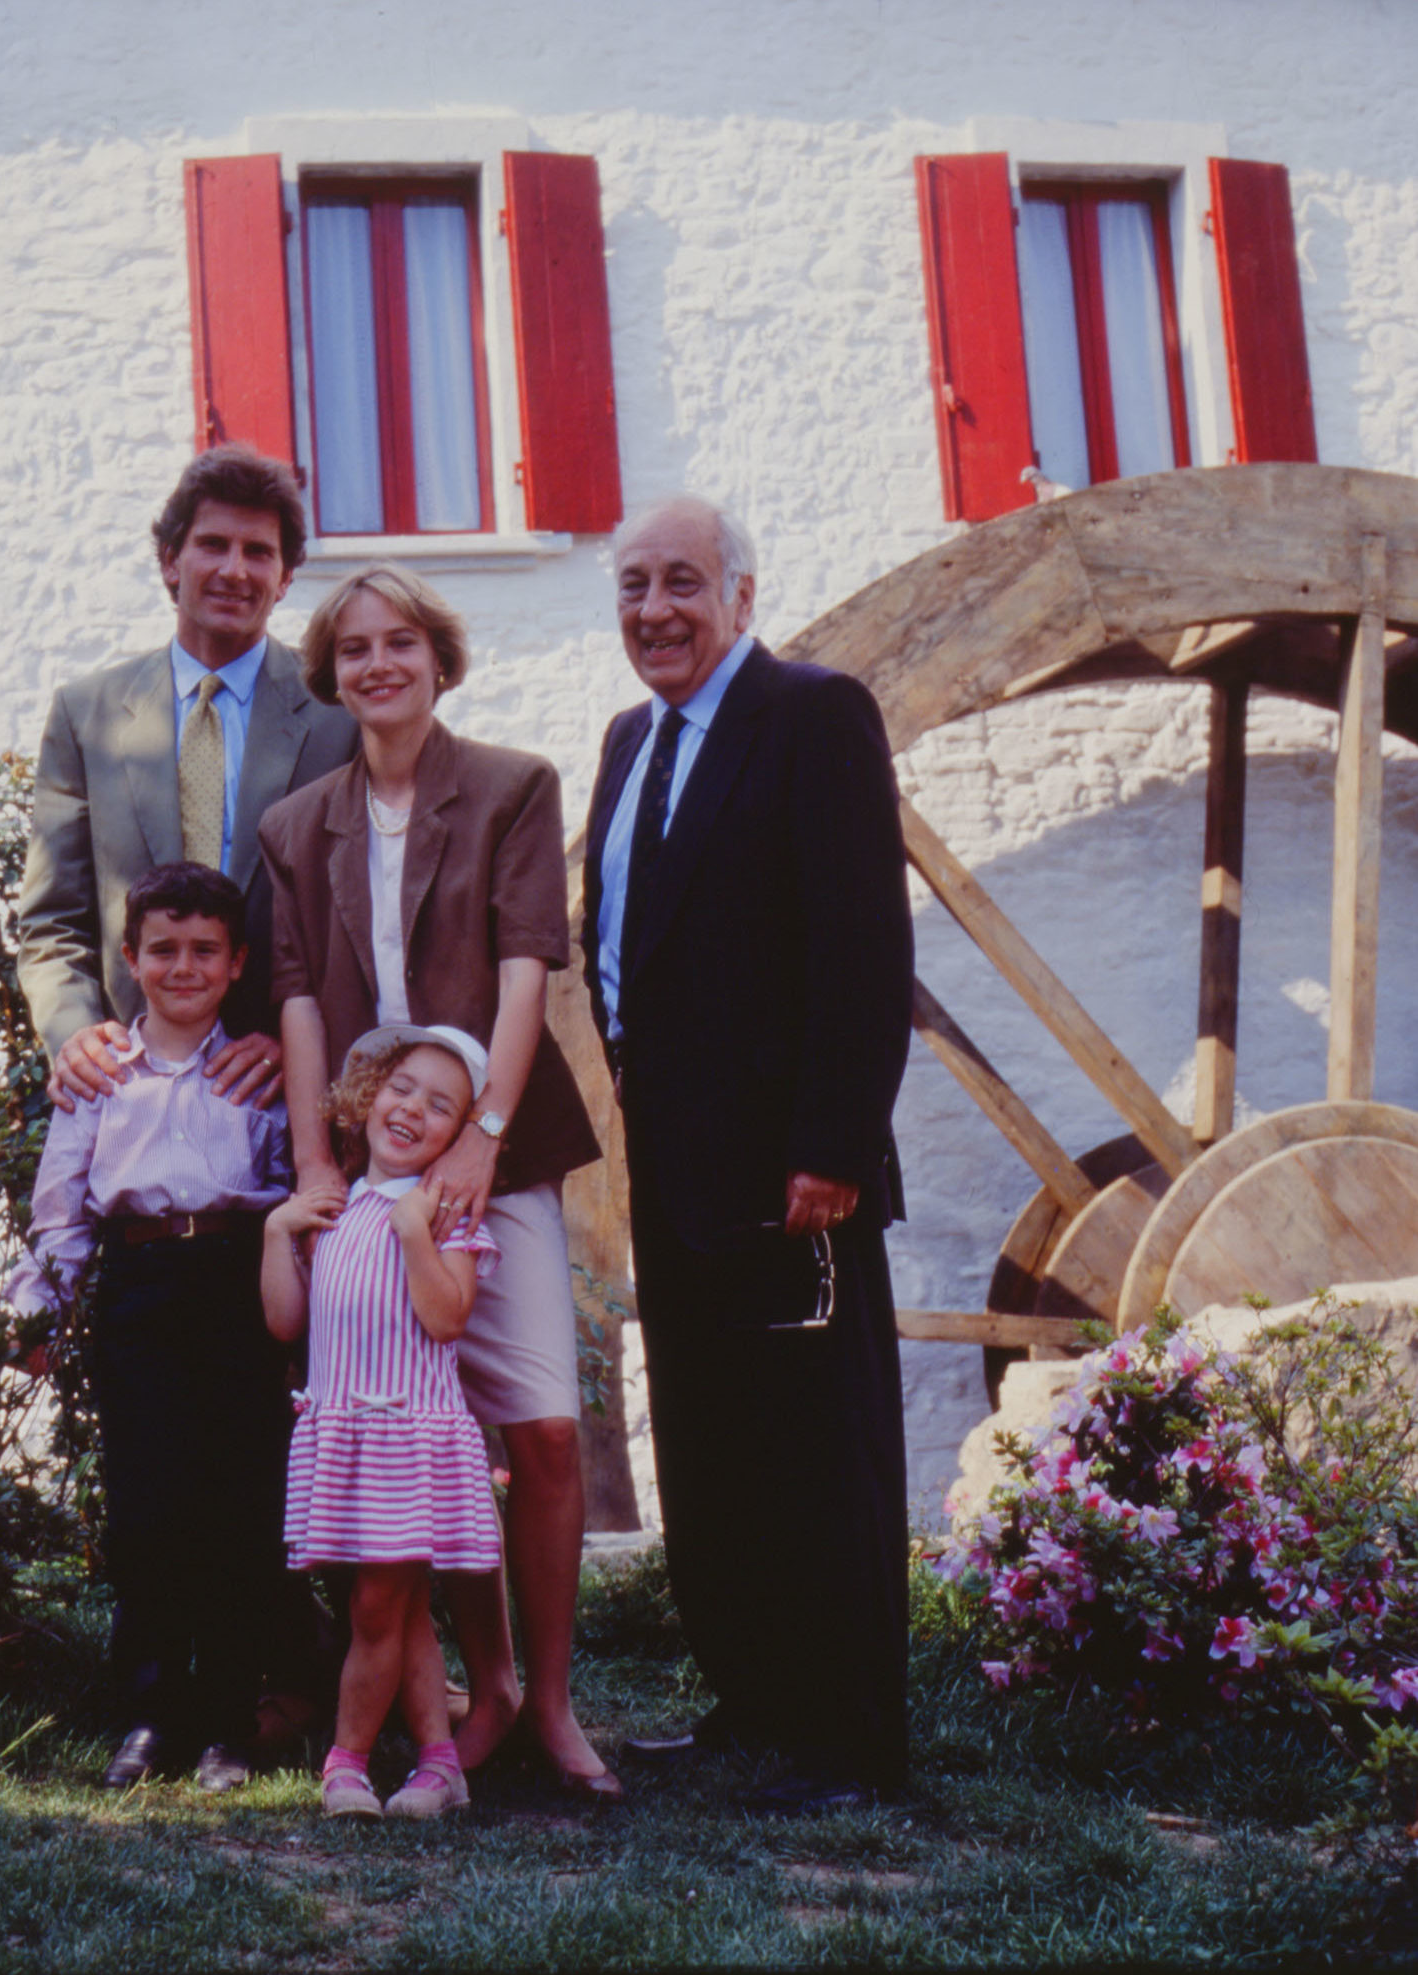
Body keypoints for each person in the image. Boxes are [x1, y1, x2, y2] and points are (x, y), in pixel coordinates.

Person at [258, 564, 620, 1802]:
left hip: (497, 1151)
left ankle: (554, 1705)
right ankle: (485, 1686)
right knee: (416, 1429)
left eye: (399, 640)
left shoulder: (512, 787)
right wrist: (319, 1162)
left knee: (542, 1425)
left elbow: (528, 972)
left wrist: (488, 1131)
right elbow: (300, 1000)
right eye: (352, 648)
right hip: (372, 1175)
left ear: (439, 656)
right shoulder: (298, 826)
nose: (377, 664)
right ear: (331, 675)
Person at [581, 495, 914, 1815]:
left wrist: (831, 1141)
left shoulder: (812, 714)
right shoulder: (628, 738)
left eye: (679, 582)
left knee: (817, 1448)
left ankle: (850, 1739)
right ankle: (754, 1701)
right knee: (714, 1446)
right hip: (674, 1168)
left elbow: (859, 943)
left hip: (790, 1174)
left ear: (740, 594)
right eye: (631, 586)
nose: (653, 609)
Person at [4, 863, 295, 1794]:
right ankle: (146, 1714)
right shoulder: (99, 1076)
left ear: (235, 960)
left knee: (241, 1505)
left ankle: (228, 1721)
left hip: (238, 1284)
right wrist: (37, 1312)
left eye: (204, 949)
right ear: (129, 960)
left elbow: (297, 1188)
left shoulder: (257, 1072)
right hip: (141, 1290)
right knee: (149, 1507)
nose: (183, 966)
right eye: (162, 949)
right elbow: (61, 1212)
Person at [16, 444, 359, 1112]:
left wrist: (302, 1044)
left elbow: (366, 920)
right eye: (212, 545)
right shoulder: (87, 715)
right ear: (171, 561)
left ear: (286, 576)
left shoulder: (337, 719)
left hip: (286, 1094)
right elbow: (53, 919)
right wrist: (76, 1035)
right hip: (130, 1093)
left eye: (258, 552)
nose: (235, 570)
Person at [262, 1025, 505, 1819]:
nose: (412, 1111)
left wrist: (412, 1234)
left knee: (376, 1606)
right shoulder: (333, 1209)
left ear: (457, 1133)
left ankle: (347, 1764)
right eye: (401, 1088)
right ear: (367, 1095)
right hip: (346, 1437)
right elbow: (286, 1323)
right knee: (396, 1610)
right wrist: (277, 1233)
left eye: (441, 1106)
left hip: (408, 1439)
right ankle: (439, 1766)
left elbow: (445, 1317)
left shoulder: (444, 1212)